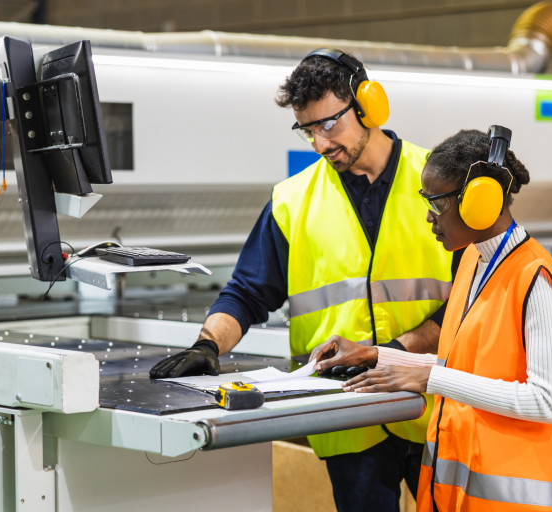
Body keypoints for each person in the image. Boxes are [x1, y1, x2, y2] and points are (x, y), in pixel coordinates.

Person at [150, 48, 461, 512]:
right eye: (308, 129)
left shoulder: (434, 181)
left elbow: (469, 299)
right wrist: (208, 345)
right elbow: (248, 291)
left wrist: (395, 352)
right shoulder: (292, 200)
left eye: (329, 124)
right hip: (348, 416)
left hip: (431, 404)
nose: (319, 143)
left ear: (367, 106)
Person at [311, 127, 552, 510]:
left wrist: (430, 379)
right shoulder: (476, 262)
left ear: (481, 203)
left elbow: (547, 401)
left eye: (437, 203)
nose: (429, 217)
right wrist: (376, 355)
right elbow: (460, 366)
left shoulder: (533, 277)